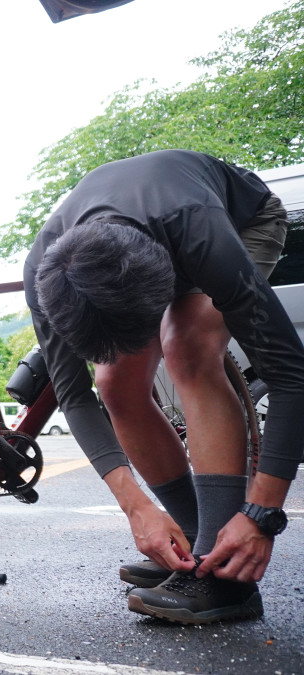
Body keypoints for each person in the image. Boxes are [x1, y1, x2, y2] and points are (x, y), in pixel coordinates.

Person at [24, 149, 301, 625]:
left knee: (187, 347)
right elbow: (74, 396)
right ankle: (199, 548)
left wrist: (262, 517)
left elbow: (292, 375)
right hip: (141, 235)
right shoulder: (45, 273)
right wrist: (137, 508)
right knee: (113, 380)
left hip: (243, 220)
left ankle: (228, 581)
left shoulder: (199, 229)